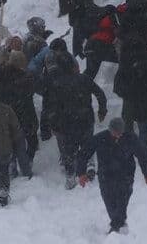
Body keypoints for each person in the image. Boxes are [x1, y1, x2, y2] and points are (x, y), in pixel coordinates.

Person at [40, 47, 107, 189]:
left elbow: (51, 106)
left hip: (66, 123)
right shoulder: (84, 79)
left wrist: (52, 123)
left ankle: (70, 176)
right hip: (86, 119)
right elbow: (100, 93)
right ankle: (90, 165)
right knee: (87, 144)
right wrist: (102, 109)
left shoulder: (56, 84)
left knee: (68, 150)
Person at [77, 117, 147, 234]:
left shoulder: (130, 138)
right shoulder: (100, 138)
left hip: (125, 176)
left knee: (122, 201)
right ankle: (118, 224)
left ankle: (117, 227)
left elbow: (143, 155)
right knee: (109, 202)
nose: (117, 135)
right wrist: (81, 173)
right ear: (110, 130)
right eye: (115, 133)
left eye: (120, 133)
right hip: (106, 176)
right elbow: (83, 153)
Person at [0, 51, 39, 170]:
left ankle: (13, 162)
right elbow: (29, 92)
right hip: (24, 112)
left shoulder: (2, 77)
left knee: (13, 139)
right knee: (30, 138)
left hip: (11, 112)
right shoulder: (23, 76)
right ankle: (26, 162)